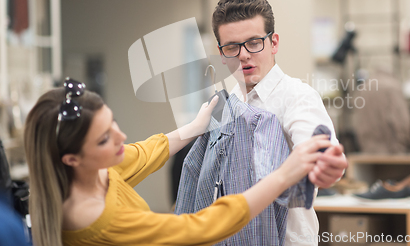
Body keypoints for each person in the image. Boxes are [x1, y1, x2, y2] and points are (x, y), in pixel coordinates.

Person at [23, 78, 332, 246]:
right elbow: (198, 228)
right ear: (72, 159)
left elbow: (144, 153)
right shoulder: (98, 220)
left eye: (113, 122)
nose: (121, 136)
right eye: (104, 138)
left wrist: (193, 128)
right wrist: (283, 176)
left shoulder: (96, 171)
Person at [212, 0, 349, 245]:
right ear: (221, 54)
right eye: (232, 47)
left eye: (254, 43)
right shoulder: (226, 103)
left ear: (273, 43)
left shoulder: (297, 97)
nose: (243, 55)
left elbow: (314, 146)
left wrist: (325, 163)